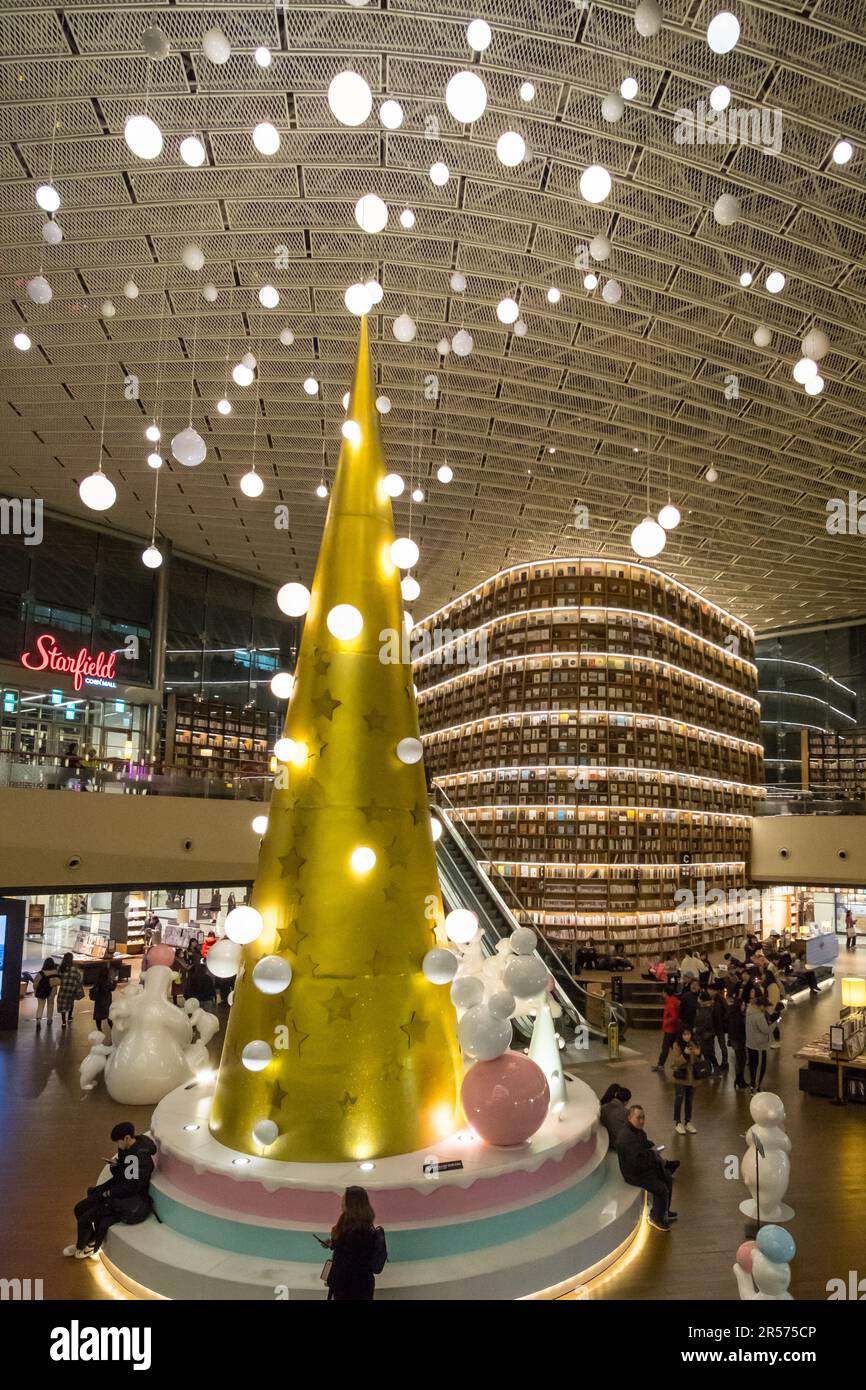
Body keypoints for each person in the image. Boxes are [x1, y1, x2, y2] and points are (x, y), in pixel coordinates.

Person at [64, 1122, 156, 1259]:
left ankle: (83, 1247)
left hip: (126, 1198)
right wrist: (116, 1166)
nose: (118, 1145)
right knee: (79, 1208)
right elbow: (125, 1174)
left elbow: (132, 1186)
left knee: (85, 1217)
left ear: (126, 1138)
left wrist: (108, 1193)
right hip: (119, 1190)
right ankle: (85, 1243)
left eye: (119, 1141)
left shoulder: (136, 1157)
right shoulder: (128, 1150)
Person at [615, 1104, 677, 1232]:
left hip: (644, 1167)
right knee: (661, 1188)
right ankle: (656, 1217)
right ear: (629, 1117)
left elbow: (645, 1144)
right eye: (639, 1118)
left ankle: (663, 1211)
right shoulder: (626, 1138)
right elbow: (635, 1162)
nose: (642, 1121)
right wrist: (652, 1154)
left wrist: (652, 1147)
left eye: (643, 1117)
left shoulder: (637, 1132)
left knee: (667, 1179)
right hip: (634, 1174)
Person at [320, 1187, 387, 1300]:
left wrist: (332, 1279)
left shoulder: (354, 1232)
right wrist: (333, 1244)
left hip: (349, 1289)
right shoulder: (364, 1227)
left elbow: (348, 1262)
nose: (342, 1201)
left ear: (351, 1203)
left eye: (344, 1198)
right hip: (362, 1286)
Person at [669, 1027, 703, 1134]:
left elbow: (699, 1061)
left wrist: (698, 1055)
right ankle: (678, 1122)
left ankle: (688, 1122)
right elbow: (675, 1063)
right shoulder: (677, 1045)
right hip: (681, 1078)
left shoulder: (694, 1043)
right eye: (684, 1034)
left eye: (688, 1034)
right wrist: (685, 1054)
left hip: (692, 1078)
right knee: (679, 1099)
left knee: (689, 1100)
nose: (687, 1037)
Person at [745, 988, 772, 1092]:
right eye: (765, 1006)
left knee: (752, 1066)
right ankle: (755, 1088)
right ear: (761, 1006)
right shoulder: (759, 1016)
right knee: (759, 1067)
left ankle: (752, 1085)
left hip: (750, 1043)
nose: (766, 1009)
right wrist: (774, 1023)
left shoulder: (749, 1011)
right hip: (759, 1046)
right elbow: (766, 1030)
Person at [652, 983, 680, 1071]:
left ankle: (661, 1065)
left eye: (663, 992)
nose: (662, 994)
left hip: (670, 1029)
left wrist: (666, 1022)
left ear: (666, 993)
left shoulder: (670, 1003)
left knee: (665, 1047)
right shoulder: (674, 1000)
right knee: (674, 1046)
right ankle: (679, 1062)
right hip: (674, 1028)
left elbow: (674, 1016)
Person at [726, 983, 748, 1089]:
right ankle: (739, 1080)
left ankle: (739, 1079)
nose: (744, 1006)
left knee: (739, 1060)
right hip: (739, 1040)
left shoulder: (732, 1015)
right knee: (741, 1060)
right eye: (743, 1005)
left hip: (734, 1040)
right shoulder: (739, 1017)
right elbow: (741, 1030)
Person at [693, 989, 720, 1074]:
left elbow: (704, 1023)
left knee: (708, 1053)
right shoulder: (709, 1008)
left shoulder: (705, 1010)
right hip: (707, 1034)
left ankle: (714, 1069)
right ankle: (709, 1070)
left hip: (705, 1035)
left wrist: (697, 1030)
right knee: (707, 1053)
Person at [56, 952, 84, 1029]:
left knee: (62, 1004)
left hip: (63, 988)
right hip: (72, 989)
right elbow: (80, 978)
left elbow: (58, 977)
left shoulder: (60, 968)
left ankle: (63, 1022)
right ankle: (69, 1017)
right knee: (71, 1002)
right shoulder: (75, 969)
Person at [33, 957, 60, 1028]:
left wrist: (35, 990)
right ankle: (49, 1019)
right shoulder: (56, 972)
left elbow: (35, 983)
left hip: (41, 991)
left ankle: (38, 1020)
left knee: (40, 1006)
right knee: (51, 1004)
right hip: (52, 990)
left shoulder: (41, 973)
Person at [90, 964, 115, 1042]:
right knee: (109, 1016)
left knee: (98, 1016)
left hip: (99, 1001)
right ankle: (113, 1031)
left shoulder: (97, 981)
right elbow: (112, 988)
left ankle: (99, 1030)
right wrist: (114, 982)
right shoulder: (107, 981)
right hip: (106, 1000)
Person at [762, 965, 784, 1049]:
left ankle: (777, 1041)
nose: (762, 976)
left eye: (763, 975)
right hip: (770, 1009)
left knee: (774, 1026)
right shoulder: (768, 985)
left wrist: (768, 1011)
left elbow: (773, 1000)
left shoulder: (772, 986)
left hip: (773, 1010)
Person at [709, 982, 729, 1072]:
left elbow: (727, 1010)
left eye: (711, 990)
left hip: (719, 1026)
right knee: (711, 1045)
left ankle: (725, 1063)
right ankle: (713, 1063)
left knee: (722, 1045)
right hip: (712, 1025)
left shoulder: (720, 999)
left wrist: (723, 1021)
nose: (709, 991)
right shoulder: (708, 997)